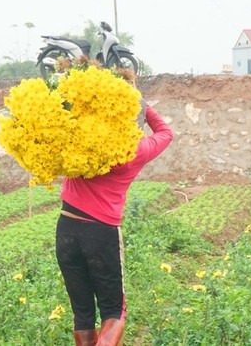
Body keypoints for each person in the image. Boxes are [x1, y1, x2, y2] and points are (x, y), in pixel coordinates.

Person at [55, 84, 174, 346]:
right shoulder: (138, 150)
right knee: (113, 311)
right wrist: (140, 102)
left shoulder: (84, 138)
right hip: (101, 232)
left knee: (82, 313)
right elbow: (166, 132)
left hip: (66, 228)